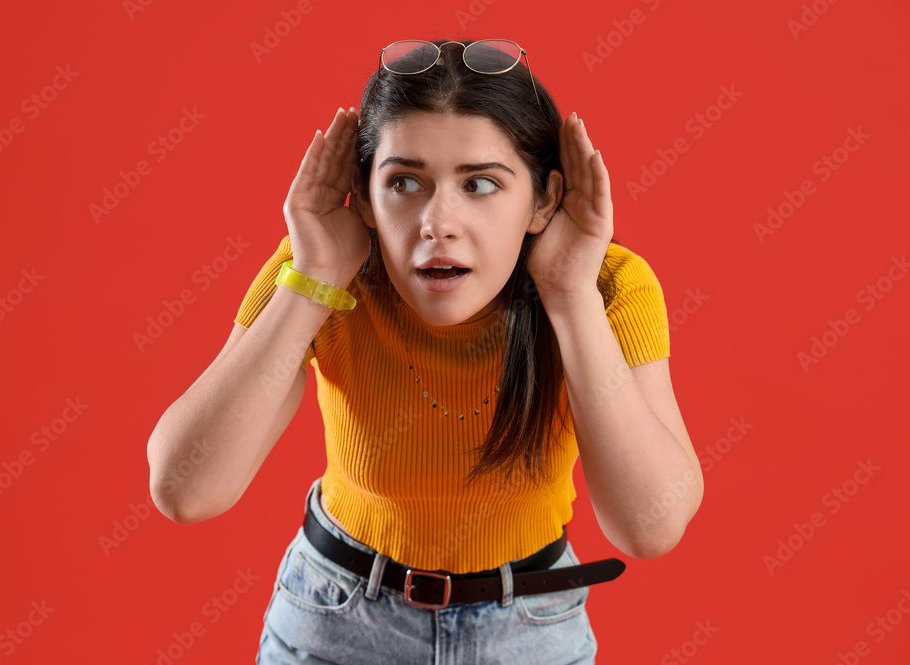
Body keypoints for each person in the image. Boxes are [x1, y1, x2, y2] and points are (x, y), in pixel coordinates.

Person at [147, 38, 702, 665]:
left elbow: (650, 526)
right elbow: (185, 489)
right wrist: (317, 275)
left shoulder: (606, 286)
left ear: (543, 200)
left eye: (481, 184)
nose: (438, 221)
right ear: (362, 194)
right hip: (336, 621)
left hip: (530, 631)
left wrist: (569, 295)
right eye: (405, 182)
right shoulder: (320, 273)